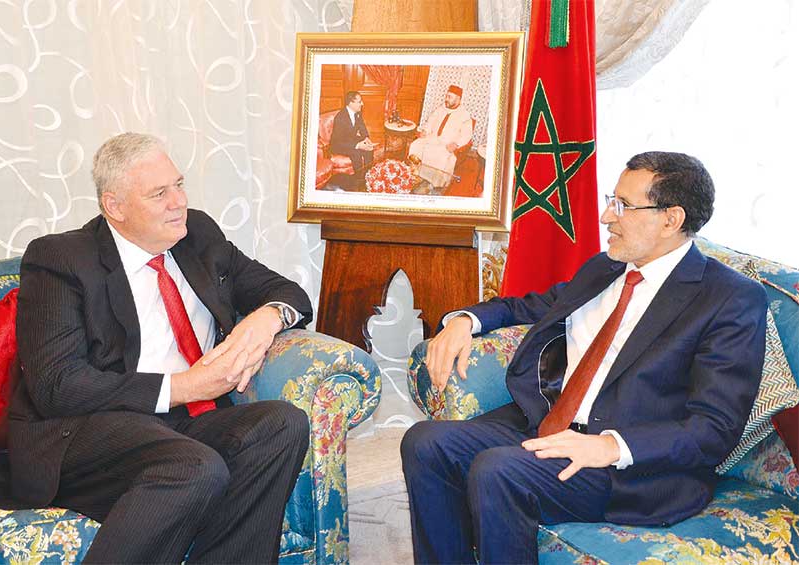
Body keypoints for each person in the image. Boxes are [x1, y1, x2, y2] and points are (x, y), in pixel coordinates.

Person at [401, 152, 768, 564]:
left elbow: (714, 428)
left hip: (626, 469)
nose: (606, 216)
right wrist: (464, 321)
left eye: (623, 206)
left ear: (671, 219)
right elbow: (528, 307)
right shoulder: (606, 268)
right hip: (550, 427)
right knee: (426, 442)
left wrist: (609, 446)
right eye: (613, 200)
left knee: (497, 470)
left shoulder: (729, 299)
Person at [9, 132, 313, 564]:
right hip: (89, 430)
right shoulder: (60, 259)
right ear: (115, 206)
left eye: (179, 184)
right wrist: (185, 386)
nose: (178, 202)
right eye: (159, 193)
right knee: (193, 467)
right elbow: (58, 385)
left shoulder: (197, 236)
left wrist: (268, 318)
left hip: (181, 426)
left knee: (281, 423)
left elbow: (287, 292)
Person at [408, 84, 474, 188]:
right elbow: (431, 120)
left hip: (447, 143)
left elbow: (467, 134)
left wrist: (456, 144)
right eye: (446, 96)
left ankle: (433, 183)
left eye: (450, 97)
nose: (446, 99)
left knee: (440, 156)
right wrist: (425, 130)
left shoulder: (464, 115)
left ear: (458, 99)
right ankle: (415, 173)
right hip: (433, 137)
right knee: (415, 145)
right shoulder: (441, 108)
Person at [329, 90, 376, 190]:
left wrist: (366, 138)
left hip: (350, 139)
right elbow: (339, 141)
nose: (362, 104)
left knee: (369, 149)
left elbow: (362, 127)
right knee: (357, 154)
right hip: (339, 144)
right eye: (359, 102)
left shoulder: (356, 113)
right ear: (351, 103)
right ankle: (358, 182)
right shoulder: (341, 118)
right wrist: (358, 145)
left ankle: (368, 175)